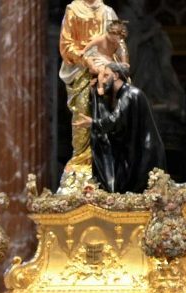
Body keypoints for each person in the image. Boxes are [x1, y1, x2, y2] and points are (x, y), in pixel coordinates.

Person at [58, 0, 118, 192]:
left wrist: (109, 66)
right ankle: (81, 166)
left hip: (105, 74)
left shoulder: (108, 12)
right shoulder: (73, 10)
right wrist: (87, 61)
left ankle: (105, 168)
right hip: (81, 73)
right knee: (82, 117)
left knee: (107, 118)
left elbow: (117, 45)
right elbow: (66, 45)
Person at [90, 62, 166, 194]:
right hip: (140, 151)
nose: (102, 80)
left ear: (115, 76)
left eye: (106, 75)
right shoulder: (124, 95)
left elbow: (116, 120)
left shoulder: (130, 94)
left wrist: (93, 122)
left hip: (144, 154)